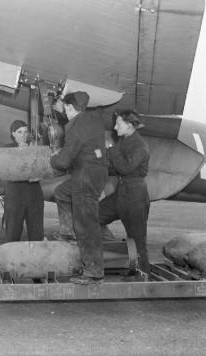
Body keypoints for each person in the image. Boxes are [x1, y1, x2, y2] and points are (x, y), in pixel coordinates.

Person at [50, 91, 108, 284]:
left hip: (85, 176)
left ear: (68, 107)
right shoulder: (93, 120)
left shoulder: (74, 127)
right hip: (97, 172)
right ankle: (67, 230)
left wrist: (54, 158)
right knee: (62, 193)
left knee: (86, 223)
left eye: (64, 107)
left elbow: (64, 162)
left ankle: (93, 271)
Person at [99, 110, 150, 279]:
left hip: (135, 196)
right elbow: (115, 168)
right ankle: (115, 257)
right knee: (93, 216)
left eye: (118, 124)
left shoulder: (139, 146)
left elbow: (125, 167)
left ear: (129, 125)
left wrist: (111, 150)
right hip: (122, 192)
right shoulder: (124, 141)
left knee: (137, 240)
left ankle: (143, 276)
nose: (114, 127)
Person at [3, 120, 44, 242]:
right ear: (13, 133)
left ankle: (35, 259)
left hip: (34, 194)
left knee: (36, 233)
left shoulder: (35, 149)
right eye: (20, 132)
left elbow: (42, 170)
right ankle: (10, 259)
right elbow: (6, 170)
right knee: (12, 232)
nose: (23, 135)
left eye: (25, 132)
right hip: (15, 195)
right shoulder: (7, 149)